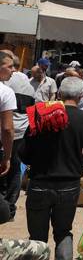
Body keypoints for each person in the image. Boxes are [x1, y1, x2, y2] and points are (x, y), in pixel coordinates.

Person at [20, 77, 83, 260]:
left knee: (37, 238)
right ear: (81, 96)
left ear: (59, 94)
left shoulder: (40, 114)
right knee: (63, 233)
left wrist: (37, 163)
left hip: (39, 182)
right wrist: (75, 166)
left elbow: (23, 152)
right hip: (69, 185)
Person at [1, 53, 34, 219]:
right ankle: (9, 209)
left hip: (9, 133)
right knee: (14, 169)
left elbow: (7, 126)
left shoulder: (7, 85)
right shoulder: (28, 85)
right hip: (20, 132)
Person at [0, 51, 16, 179]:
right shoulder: (6, 92)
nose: (14, 70)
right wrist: (7, 156)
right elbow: (7, 128)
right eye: (10, 67)